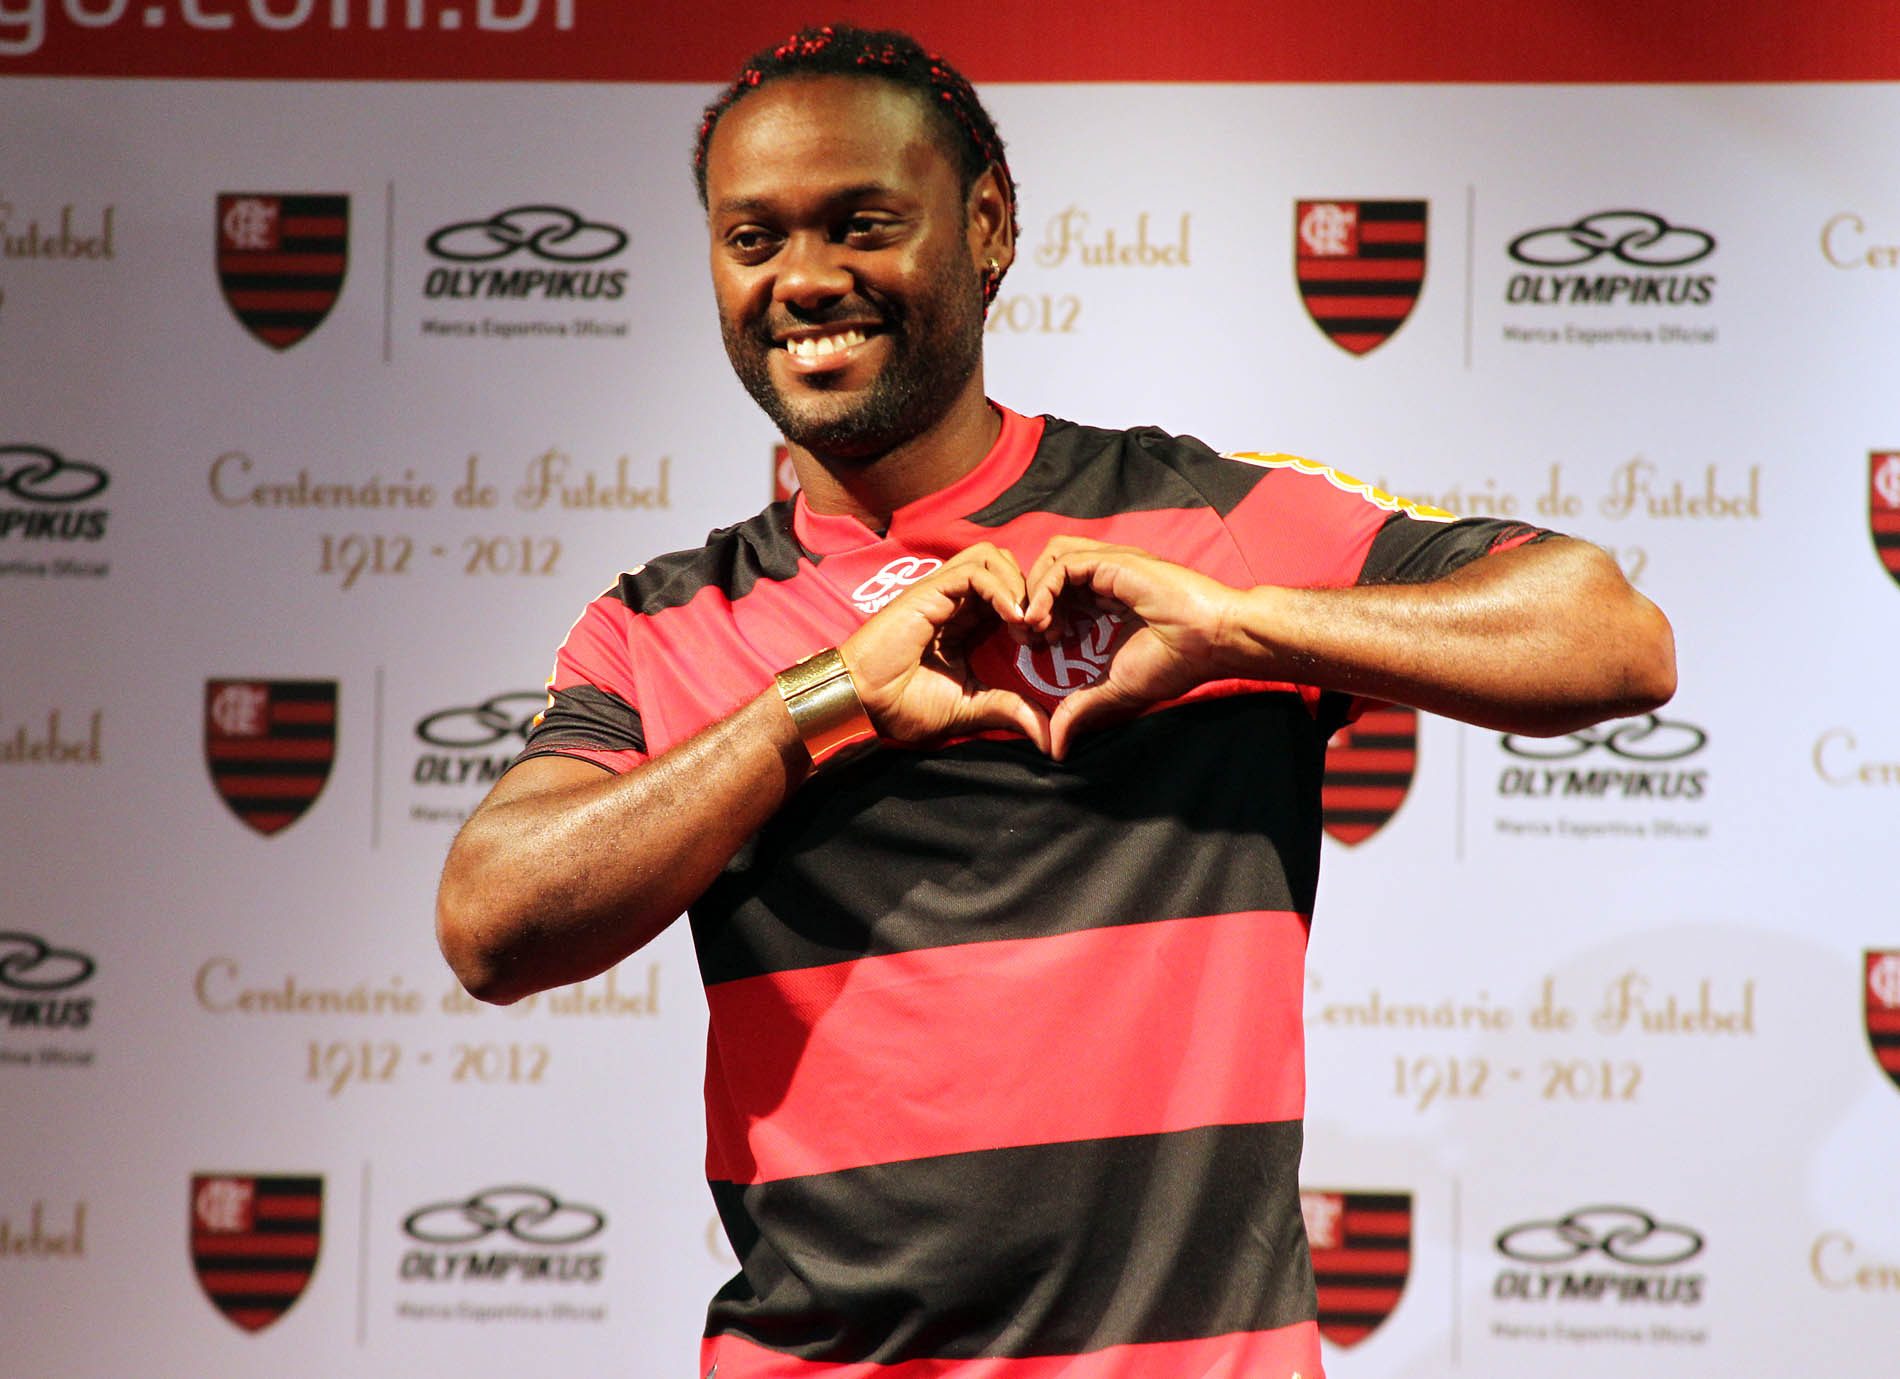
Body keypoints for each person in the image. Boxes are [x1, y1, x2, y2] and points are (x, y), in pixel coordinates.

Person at [435, 24, 1675, 1379]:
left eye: (861, 225)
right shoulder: (664, 622)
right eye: (754, 239)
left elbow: (1610, 638)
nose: (806, 278)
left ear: (987, 227)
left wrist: (1236, 626)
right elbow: (493, 927)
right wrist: (820, 703)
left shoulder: (1197, 522)